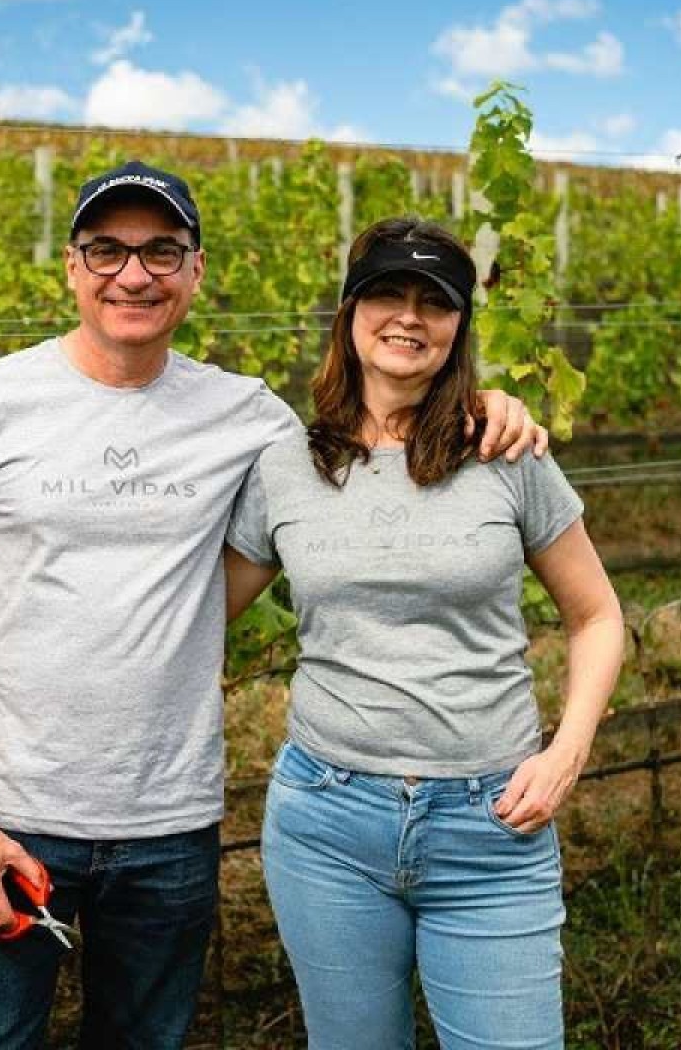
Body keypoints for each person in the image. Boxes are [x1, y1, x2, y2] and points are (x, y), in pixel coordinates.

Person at [0, 164, 549, 1049]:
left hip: (170, 824)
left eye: (162, 251)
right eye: (108, 251)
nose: (135, 274)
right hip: (14, 816)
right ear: (70, 266)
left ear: (196, 271)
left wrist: (483, 406)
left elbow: (372, 441)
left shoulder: (254, 421)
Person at [222, 215, 624, 1049]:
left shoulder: (506, 452)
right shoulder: (286, 465)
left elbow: (597, 616)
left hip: (492, 826)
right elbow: (195, 613)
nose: (409, 317)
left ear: (458, 328)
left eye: (434, 303)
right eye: (387, 294)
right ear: (348, 313)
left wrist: (566, 752)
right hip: (326, 827)